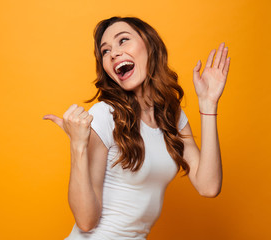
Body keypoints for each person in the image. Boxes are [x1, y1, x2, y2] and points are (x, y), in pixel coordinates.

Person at [43, 16, 230, 240]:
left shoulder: (173, 116)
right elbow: (85, 221)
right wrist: (78, 146)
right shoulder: (104, 115)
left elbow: (208, 186)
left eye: (123, 40)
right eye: (105, 51)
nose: (113, 53)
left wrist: (208, 104)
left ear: (150, 46)